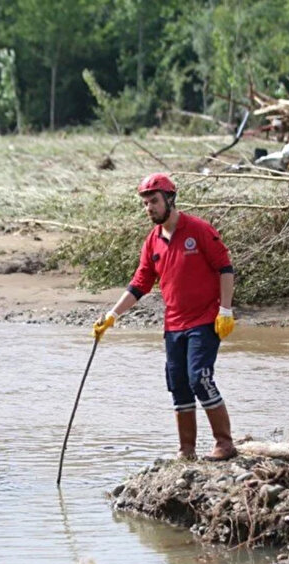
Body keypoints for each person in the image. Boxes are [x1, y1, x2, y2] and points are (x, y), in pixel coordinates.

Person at [92, 173, 238, 461]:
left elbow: (225, 268)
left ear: (170, 199)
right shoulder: (153, 241)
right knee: (178, 385)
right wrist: (111, 316)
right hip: (173, 325)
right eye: (146, 203)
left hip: (205, 320)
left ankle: (225, 444)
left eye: (154, 201)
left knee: (200, 379)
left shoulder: (198, 230)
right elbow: (140, 283)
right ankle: (187, 451)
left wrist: (225, 310)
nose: (149, 208)